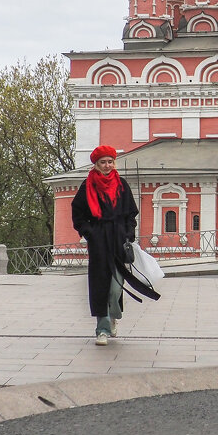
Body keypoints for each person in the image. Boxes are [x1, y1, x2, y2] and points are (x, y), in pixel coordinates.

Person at [71, 145, 142, 347]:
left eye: (110, 161)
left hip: (119, 239)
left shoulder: (121, 185)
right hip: (99, 240)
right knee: (100, 285)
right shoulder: (88, 186)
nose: (107, 165)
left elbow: (131, 214)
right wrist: (90, 233)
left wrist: (128, 233)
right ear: (96, 164)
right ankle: (101, 329)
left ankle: (113, 316)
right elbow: (78, 214)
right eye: (103, 162)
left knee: (116, 286)